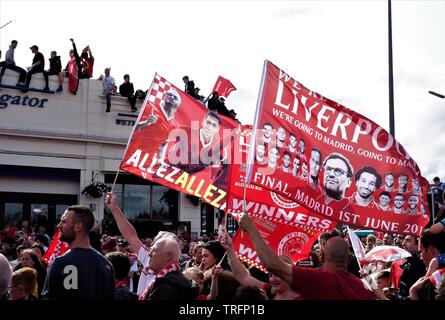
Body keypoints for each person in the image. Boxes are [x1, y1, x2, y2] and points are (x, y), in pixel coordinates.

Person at [237, 212, 374, 300]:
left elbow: (272, 265)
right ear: (349, 259)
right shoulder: (362, 287)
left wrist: (251, 229)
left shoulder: (317, 279)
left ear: (322, 257)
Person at [41, 205, 115, 300]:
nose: (59, 225)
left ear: (78, 226)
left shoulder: (60, 263)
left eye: (63, 221)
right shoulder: (106, 264)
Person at [220, 228, 302, 300]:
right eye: (270, 275)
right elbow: (243, 276)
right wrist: (229, 248)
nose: (273, 279)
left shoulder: (300, 297)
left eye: (277, 274)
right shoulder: (269, 290)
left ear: (288, 273)